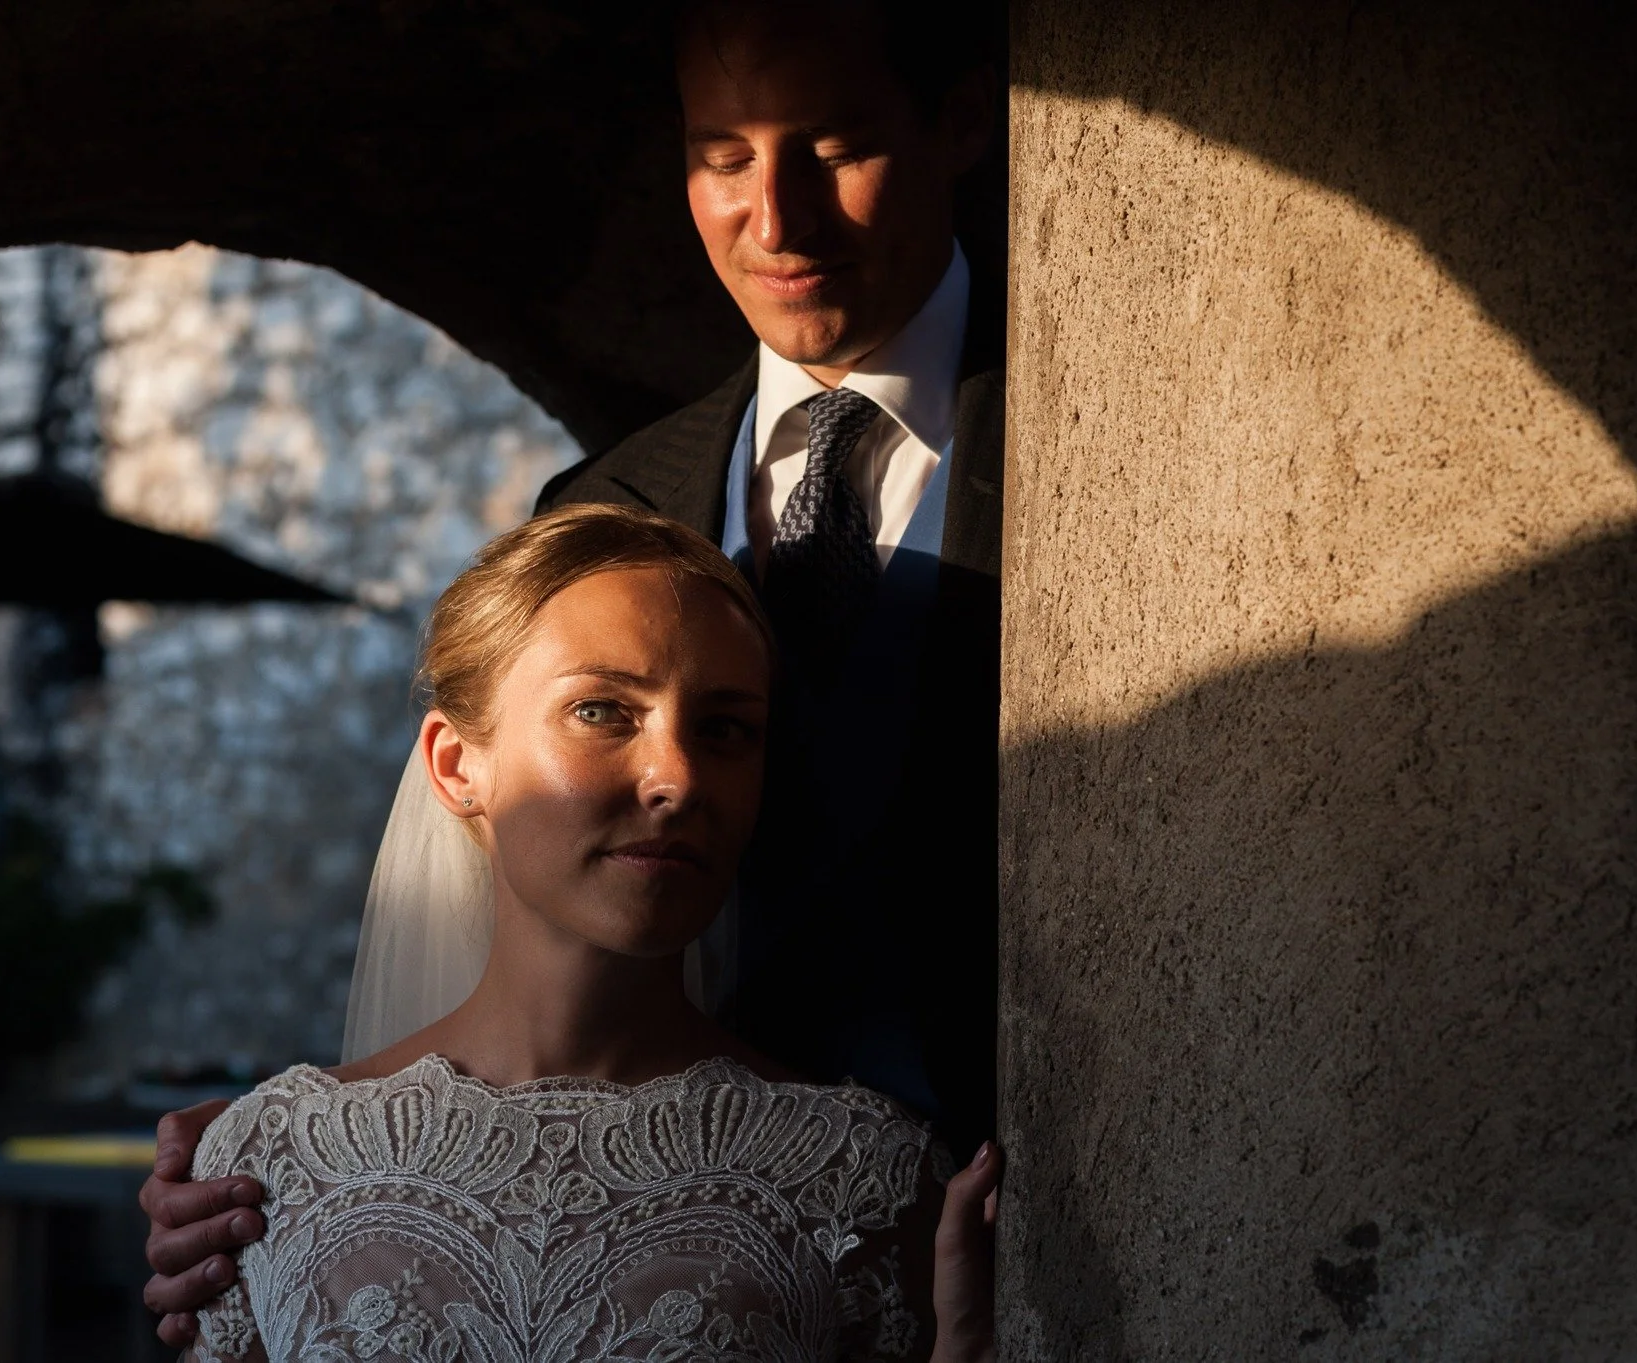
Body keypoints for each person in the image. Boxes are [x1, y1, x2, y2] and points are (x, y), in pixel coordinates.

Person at [143, 0, 1004, 1348]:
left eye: (832, 148)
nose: (774, 218)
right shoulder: (608, 492)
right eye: (723, 158)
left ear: (961, 123)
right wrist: (300, 1197)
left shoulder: (1100, 441)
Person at [180, 504, 999, 1362]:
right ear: (458, 766)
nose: (678, 780)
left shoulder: (865, 1176)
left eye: (725, 728)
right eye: (603, 711)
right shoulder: (271, 1166)